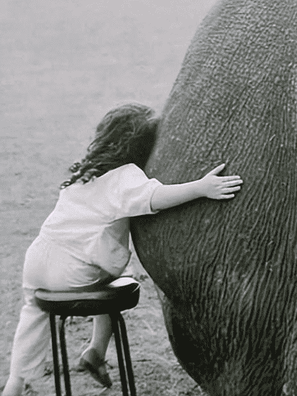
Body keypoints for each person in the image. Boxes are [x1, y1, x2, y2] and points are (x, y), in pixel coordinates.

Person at [1, 103, 242, 396]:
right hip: (74, 270)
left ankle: (17, 381)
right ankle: (96, 350)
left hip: (39, 260)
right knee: (112, 281)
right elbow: (156, 198)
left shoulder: (84, 174)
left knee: (34, 310)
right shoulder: (125, 176)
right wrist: (201, 187)